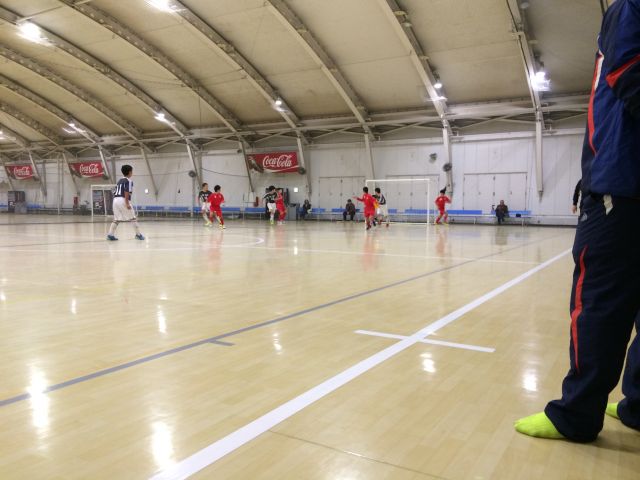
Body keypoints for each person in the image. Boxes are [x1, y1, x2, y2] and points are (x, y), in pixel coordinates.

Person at [515, 0, 640, 442]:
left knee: (598, 303)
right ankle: (638, 405)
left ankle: (577, 415)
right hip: (619, 183)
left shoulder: (630, 7)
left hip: (620, 186)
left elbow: (629, 75)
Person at [107, 164, 144, 241]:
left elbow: (114, 191)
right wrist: (127, 203)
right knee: (133, 218)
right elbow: (127, 192)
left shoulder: (119, 181)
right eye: (132, 171)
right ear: (130, 172)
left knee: (116, 219)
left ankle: (110, 234)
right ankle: (138, 234)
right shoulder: (129, 181)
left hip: (115, 200)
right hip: (123, 199)